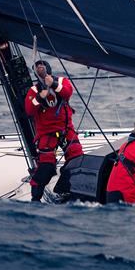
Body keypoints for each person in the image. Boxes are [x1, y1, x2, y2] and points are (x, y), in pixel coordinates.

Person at [24, 59, 83, 202]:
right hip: (47, 134)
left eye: (42, 66)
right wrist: (39, 97)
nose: (40, 68)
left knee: (76, 158)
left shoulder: (62, 81)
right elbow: (29, 110)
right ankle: (35, 198)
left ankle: (68, 188)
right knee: (46, 166)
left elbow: (67, 92)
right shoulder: (34, 90)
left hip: (66, 129)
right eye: (37, 67)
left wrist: (54, 85)